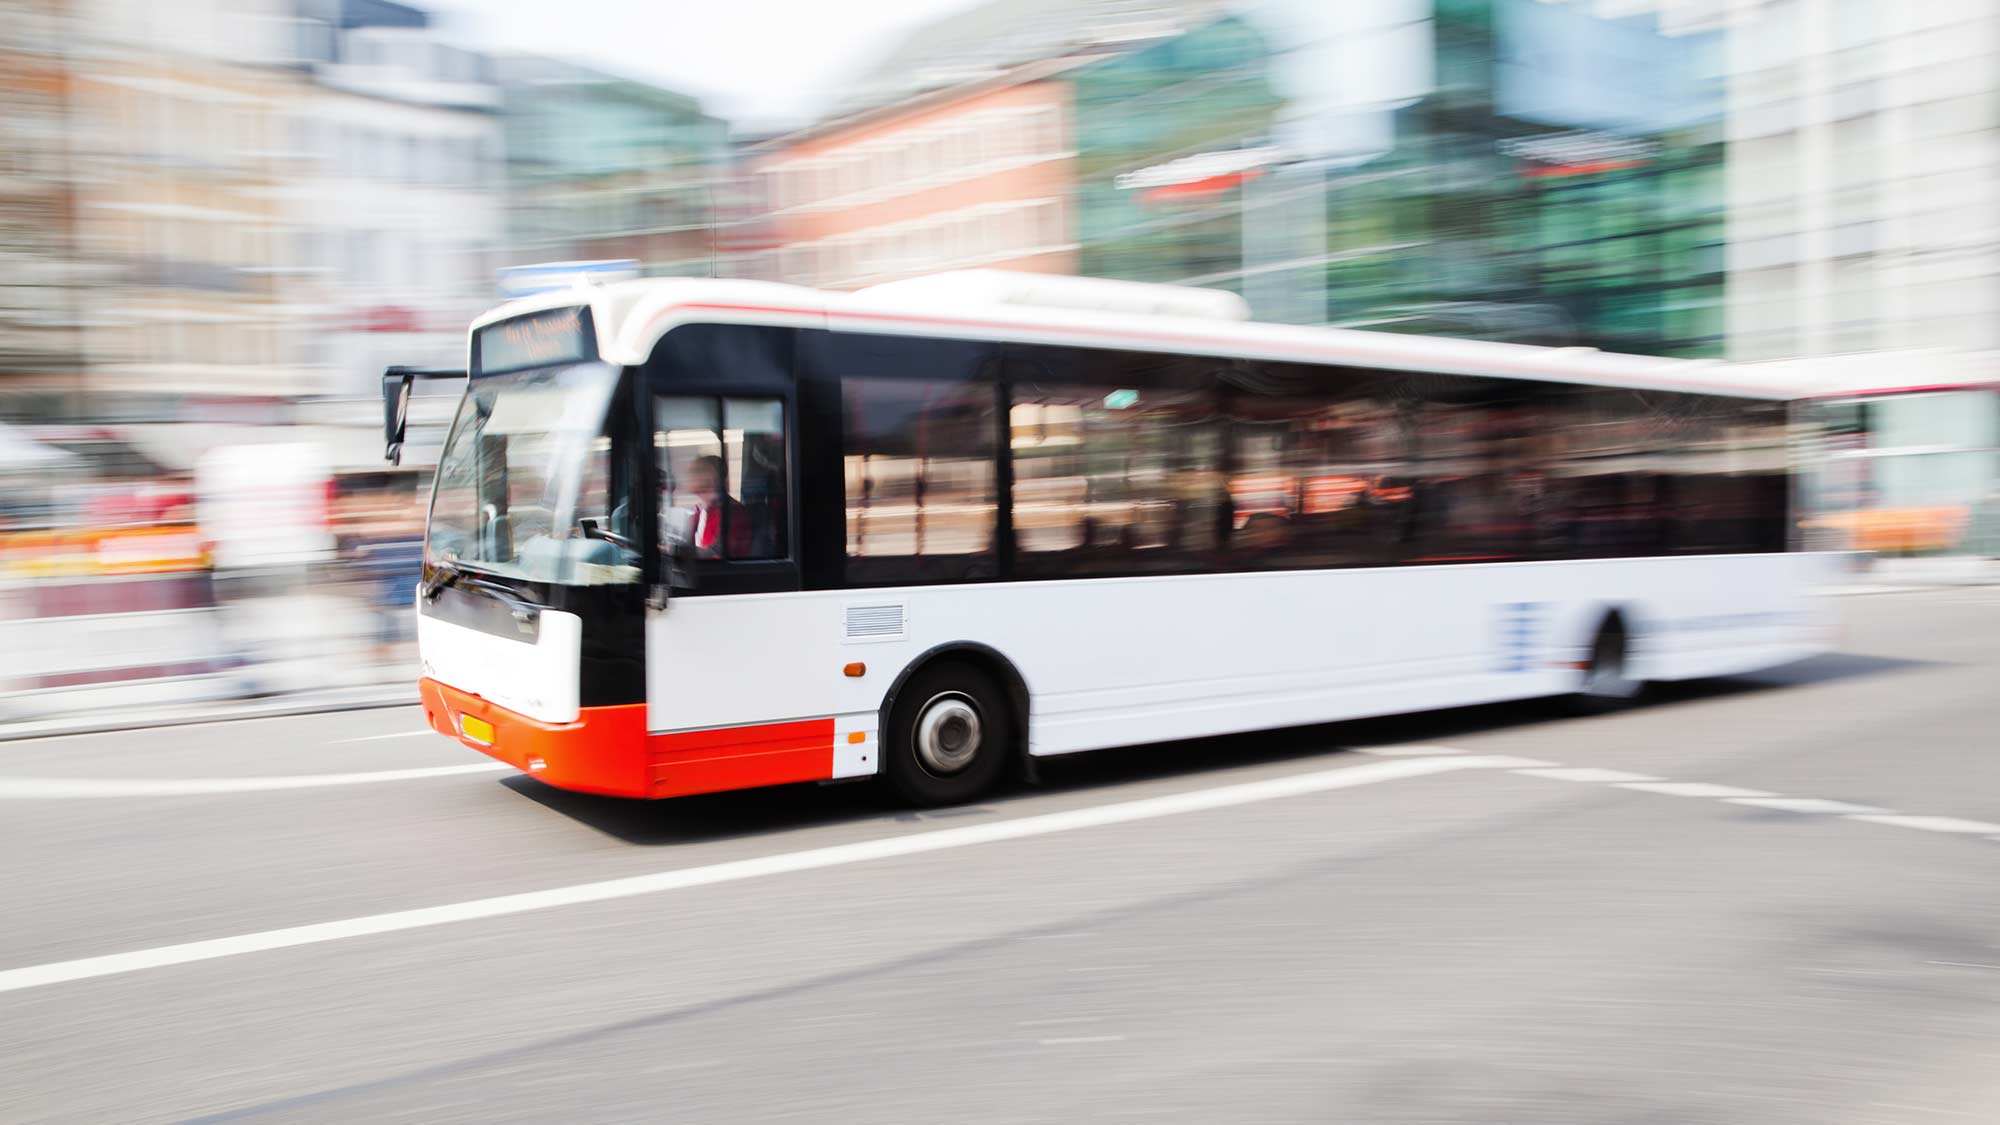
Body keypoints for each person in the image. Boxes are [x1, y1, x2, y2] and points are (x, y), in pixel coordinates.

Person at [678, 455, 752, 559]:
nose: (701, 495)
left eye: (704, 488)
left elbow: (719, 554)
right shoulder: (701, 511)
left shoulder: (734, 513)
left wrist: (680, 552)